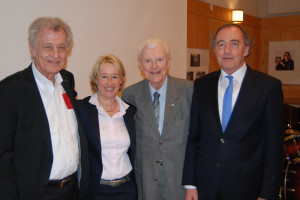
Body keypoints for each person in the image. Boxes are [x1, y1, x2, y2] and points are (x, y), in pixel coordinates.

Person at [182, 23, 285, 200]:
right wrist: (191, 184)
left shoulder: (268, 87)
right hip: (207, 186)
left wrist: (267, 194)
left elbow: (274, 148)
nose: (227, 50)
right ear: (215, 49)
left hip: (248, 187)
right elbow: (194, 138)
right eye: (221, 44)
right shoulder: (202, 85)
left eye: (234, 44)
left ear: (246, 49)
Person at [0, 17, 88, 200]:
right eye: (48, 47)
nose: (56, 55)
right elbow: (3, 155)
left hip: (72, 190)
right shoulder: (10, 90)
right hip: (36, 193)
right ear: (32, 49)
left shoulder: (67, 80)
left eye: (61, 47)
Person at [122, 38, 193, 200]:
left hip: (179, 182)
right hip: (145, 182)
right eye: (148, 61)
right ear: (140, 64)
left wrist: (192, 184)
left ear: (168, 62)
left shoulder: (188, 91)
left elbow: (196, 140)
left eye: (159, 60)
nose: (154, 66)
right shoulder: (130, 95)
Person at [77, 54, 137, 200]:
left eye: (115, 76)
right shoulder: (82, 110)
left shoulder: (130, 112)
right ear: (95, 79)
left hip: (127, 190)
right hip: (96, 191)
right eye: (104, 76)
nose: (109, 82)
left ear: (121, 80)